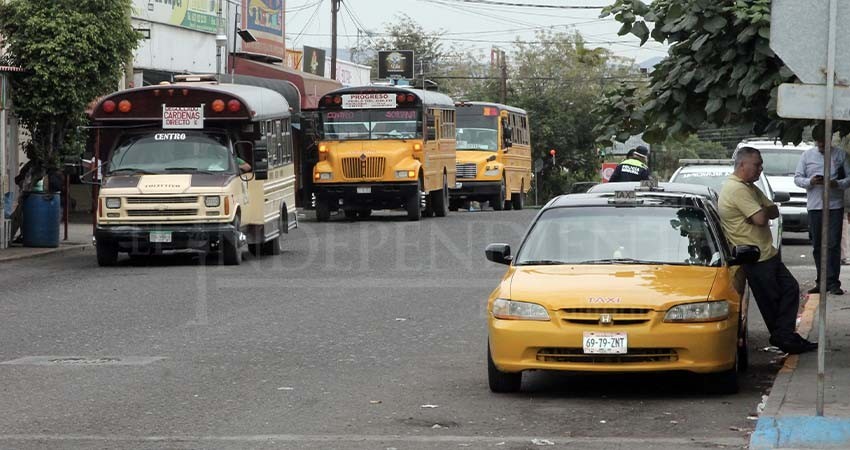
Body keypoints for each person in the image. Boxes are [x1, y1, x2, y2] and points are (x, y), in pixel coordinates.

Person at [719, 146, 816, 354]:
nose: (760, 169)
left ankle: (785, 335)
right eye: (757, 164)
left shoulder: (750, 188)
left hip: (766, 252)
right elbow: (763, 218)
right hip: (755, 256)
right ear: (742, 164)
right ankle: (784, 338)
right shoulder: (736, 189)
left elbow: (772, 211)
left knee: (789, 289)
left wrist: (760, 212)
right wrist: (761, 212)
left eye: (761, 164)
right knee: (773, 299)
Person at [793, 124, 850, 295]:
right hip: (815, 205)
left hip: (834, 205)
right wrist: (811, 181)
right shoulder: (807, 155)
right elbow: (797, 178)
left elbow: (849, 179)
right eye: (819, 143)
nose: (822, 147)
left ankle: (833, 282)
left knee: (833, 244)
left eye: (824, 143)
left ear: (830, 139)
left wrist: (836, 184)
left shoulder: (841, 155)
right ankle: (821, 280)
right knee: (818, 244)